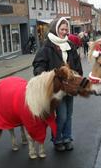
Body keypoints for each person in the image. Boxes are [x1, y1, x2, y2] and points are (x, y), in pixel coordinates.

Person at [32, 17, 83, 152]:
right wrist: (44, 77)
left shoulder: (70, 45)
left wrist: (78, 78)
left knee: (69, 114)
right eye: (62, 29)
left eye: (67, 29)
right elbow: (38, 65)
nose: (65, 32)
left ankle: (67, 138)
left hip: (70, 87)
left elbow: (77, 65)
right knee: (62, 116)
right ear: (56, 29)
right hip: (57, 88)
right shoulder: (47, 46)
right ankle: (57, 139)